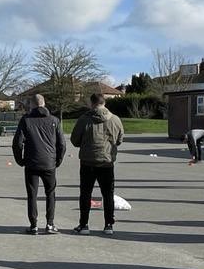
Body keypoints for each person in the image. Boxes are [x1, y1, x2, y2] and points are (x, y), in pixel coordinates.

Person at [12, 94, 67, 234]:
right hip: (49, 163)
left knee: (32, 194)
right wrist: (58, 160)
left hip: (31, 162)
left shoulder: (26, 120)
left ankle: (34, 225)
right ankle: (50, 224)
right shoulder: (54, 120)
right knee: (50, 193)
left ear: (32, 105)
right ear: (44, 104)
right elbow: (62, 144)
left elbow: (17, 143)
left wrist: (20, 160)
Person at [70, 93, 124, 234]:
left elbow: (75, 140)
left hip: (88, 161)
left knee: (85, 194)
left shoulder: (84, 119)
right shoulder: (115, 120)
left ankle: (84, 224)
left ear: (92, 103)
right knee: (108, 194)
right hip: (106, 162)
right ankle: (108, 225)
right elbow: (119, 140)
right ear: (104, 102)